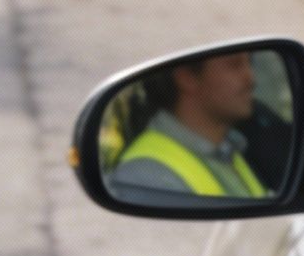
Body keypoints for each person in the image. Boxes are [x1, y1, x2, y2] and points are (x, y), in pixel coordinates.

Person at [112, 51, 271, 200]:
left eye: (249, 63)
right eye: (234, 65)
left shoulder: (228, 149)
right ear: (186, 77)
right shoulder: (144, 176)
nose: (251, 79)